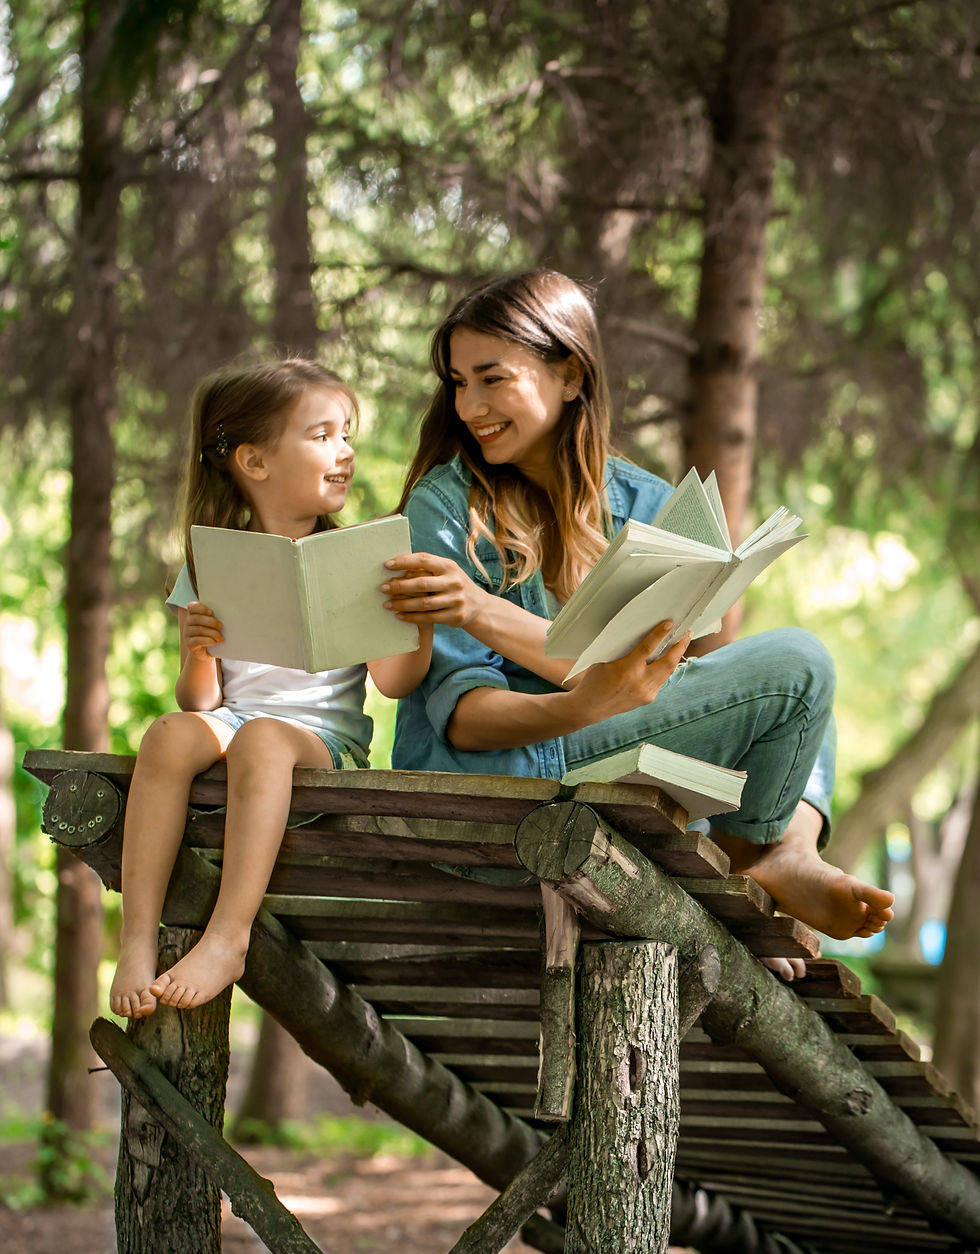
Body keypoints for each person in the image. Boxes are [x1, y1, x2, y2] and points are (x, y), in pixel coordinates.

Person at [380, 269, 894, 951]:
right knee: (797, 668)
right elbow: (465, 722)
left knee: (799, 698)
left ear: (569, 373)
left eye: (491, 378)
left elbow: (656, 685)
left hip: (614, 777)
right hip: (500, 793)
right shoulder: (446, 507)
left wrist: (605, 692)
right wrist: (583, 700)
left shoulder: (649, 507)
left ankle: (785, 856)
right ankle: (764, 869)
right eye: (458, 382)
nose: (470, 405)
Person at [109, 358, 436, 1019]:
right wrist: (201, 651)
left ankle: (229, 937)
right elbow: (198, 704)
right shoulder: (213, 562)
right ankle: (135, 938)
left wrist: (416, 622)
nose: (344, 452)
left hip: (324, 742)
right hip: (235, 722)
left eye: (348, 434)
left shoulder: (359, 561)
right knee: (167, 735)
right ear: (255, 462)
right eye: (323, 436)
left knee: (261, 739)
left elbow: (396, 682)